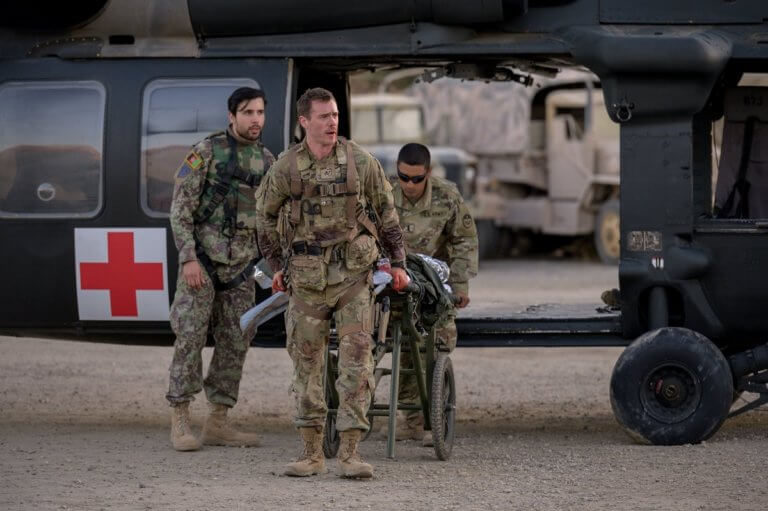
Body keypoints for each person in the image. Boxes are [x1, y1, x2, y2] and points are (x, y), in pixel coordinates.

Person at [255, 87, 408, 478]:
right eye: (323, 116)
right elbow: (263, 218)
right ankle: (311, 453)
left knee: (358, 363)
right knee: (306, 366)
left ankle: (351, 453)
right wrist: (276, 265)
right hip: (306, 283)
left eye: (335, 115)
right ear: (304, 121)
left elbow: (388, 215)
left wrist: (398, 264)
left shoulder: (359, 160)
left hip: (353, 279)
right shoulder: (286, 168)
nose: (332, 122)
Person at [165, 87, 275, 451]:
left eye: (260, 112)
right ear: (232, 116)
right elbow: (180, 209)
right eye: (247, 112)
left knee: (235, 343)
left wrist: (273, 267)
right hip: (203, 267)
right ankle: (180, 420)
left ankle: (218, 422)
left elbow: (271, 222)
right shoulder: (205, 153)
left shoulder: (268, 161)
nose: (255, 119)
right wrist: (189, 258)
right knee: (190, 339)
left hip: (242, 271)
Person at [392, 142, 478, 446]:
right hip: (397, 281)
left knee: (438, 346)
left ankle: (436, 419)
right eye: (403, 178)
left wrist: (461, 285)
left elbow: (464, 240)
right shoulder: (385, 195)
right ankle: (411, 420)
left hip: (435, 284)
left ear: (428, 173)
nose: (409, 185)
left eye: (417, 179)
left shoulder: (446, 195)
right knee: (403, 348)